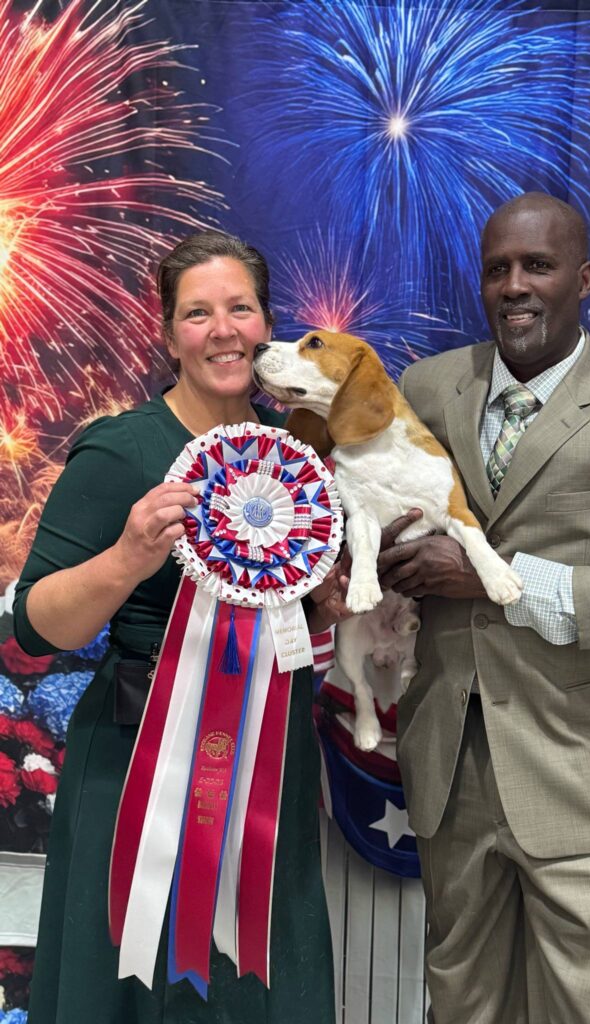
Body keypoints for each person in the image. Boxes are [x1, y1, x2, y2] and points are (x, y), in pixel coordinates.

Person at [377, 193, 590, 1023]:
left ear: (585, 278)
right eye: (497, 269)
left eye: (537, 265)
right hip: (452, 781)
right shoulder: (428, 388)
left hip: (586, 787)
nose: (514, 286)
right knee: (460, 1010)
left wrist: (492, 575)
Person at [13, 230, 346, 1023]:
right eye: (197, 314)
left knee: (254, 979)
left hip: (267, 767)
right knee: (129, 988)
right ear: (168, 337)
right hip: (134, 770)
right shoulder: (121, 450)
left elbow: (303, 607)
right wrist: (125, 559)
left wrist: (327, 602)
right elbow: (34, 626)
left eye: (240, 309)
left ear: (268, 326)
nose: (222, 330)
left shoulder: (300, 452)